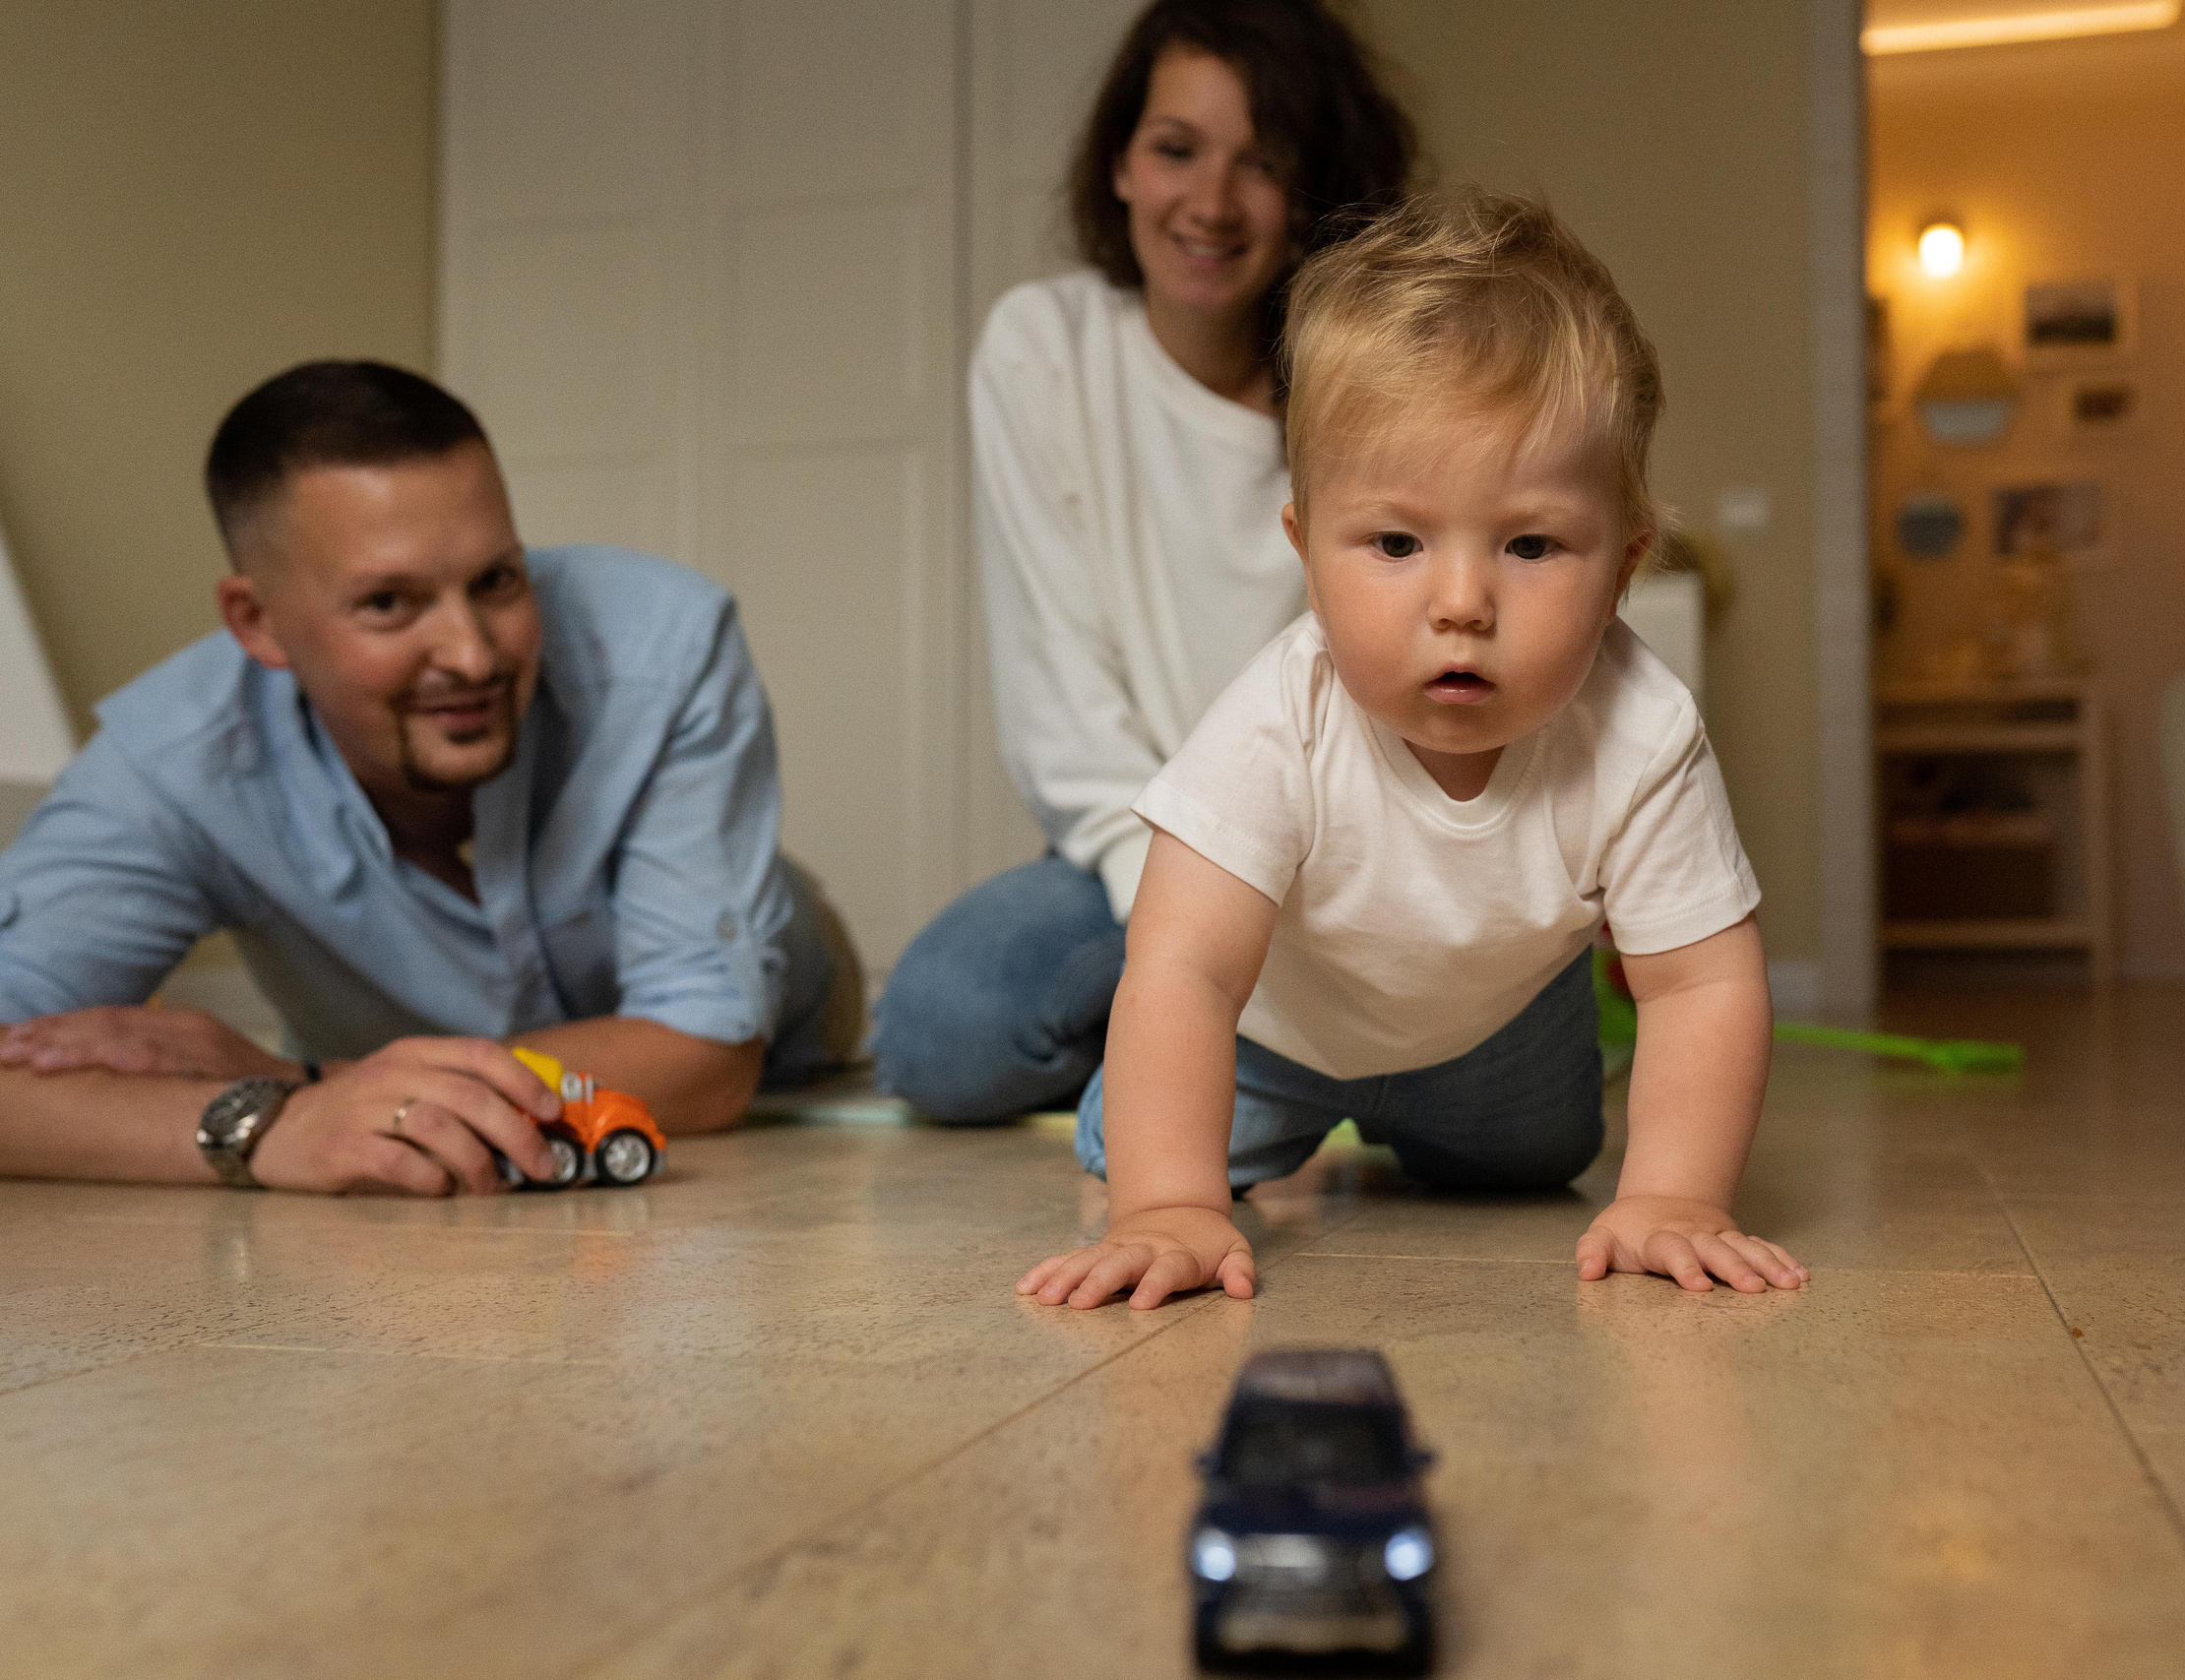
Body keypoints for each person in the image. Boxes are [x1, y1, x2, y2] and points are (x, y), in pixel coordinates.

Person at [1019, 192, 1809, 1310]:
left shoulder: (1645, 726)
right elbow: (1188, 969)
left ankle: (1461, 1116)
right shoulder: (1277, 716)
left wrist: (1675, 1194)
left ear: (1624, 564)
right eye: (1394, 542)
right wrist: (1167, 1204)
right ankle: (1137, 1116)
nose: (1460, 603)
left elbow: (1699, 982)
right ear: (1305, 549)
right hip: (1271, 1032)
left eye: (1531, 544)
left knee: (1541, 1164)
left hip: (1497, 1038)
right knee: (1147, 1139)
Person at [0, 360, 860, 1195]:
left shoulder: (666, 648)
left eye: (496, 580)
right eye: (388, 603)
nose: (472, 653)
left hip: (794, 1021)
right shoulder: (174, 764)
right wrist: (269, 1127)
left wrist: (292, 1079)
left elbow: (704, 1064)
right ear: (257, 621)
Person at [869, 0, 1414, 1120]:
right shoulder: (1044, 347)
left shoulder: (1367, 381)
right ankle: (1229, 1042)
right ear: (1119, 161)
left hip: (1357, 860)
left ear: (1314, 191)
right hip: (1136, 850)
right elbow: (1062, 706)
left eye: (1260, 165)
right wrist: (1187, 938)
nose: (1209, 205)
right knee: (937, 1028)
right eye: (1175, 150)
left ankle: (1261, 1051)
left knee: (1520, 1137)